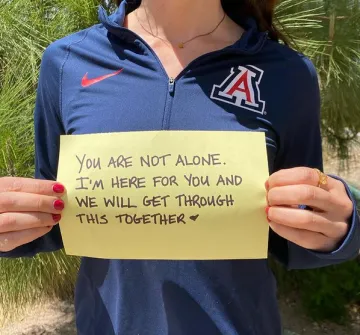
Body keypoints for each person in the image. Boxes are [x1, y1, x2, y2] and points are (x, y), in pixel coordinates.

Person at [1, 0, 359, 334]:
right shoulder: (66, 62)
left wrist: (344, 227)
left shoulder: (289, 74)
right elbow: (54, 216)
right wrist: (10, 223)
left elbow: (298, 234)